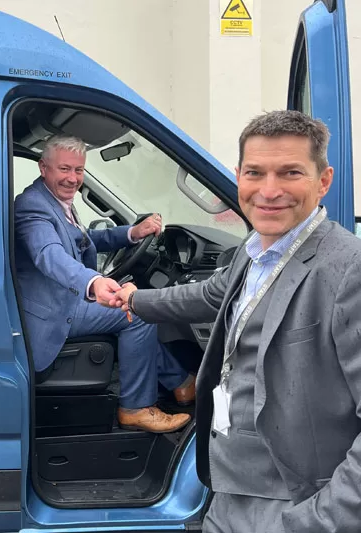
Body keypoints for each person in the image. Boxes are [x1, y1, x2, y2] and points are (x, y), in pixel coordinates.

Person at [104, 110, 361, 532]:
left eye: (290, 172)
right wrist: (136, 300)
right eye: (255, 173)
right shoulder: (255, 248)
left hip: (291, 500)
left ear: (324, 180)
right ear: (238, 176)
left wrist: (316, 521)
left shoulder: (348, 268)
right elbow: (209, 294)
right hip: (225, 488)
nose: (270, 190)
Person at [14, 134, 194, 433]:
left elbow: (84, 241)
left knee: (132, 311)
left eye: (79, 170)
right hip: (53, 311)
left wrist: (132, 234)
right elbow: (49, 254)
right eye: (65, 169)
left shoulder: (56, 201)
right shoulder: (32, 207)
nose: (73, 178)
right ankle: (136, 408)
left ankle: (183, 385)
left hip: (65, 297)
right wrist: (94, 281)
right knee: (138, 313)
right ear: (43, 167)